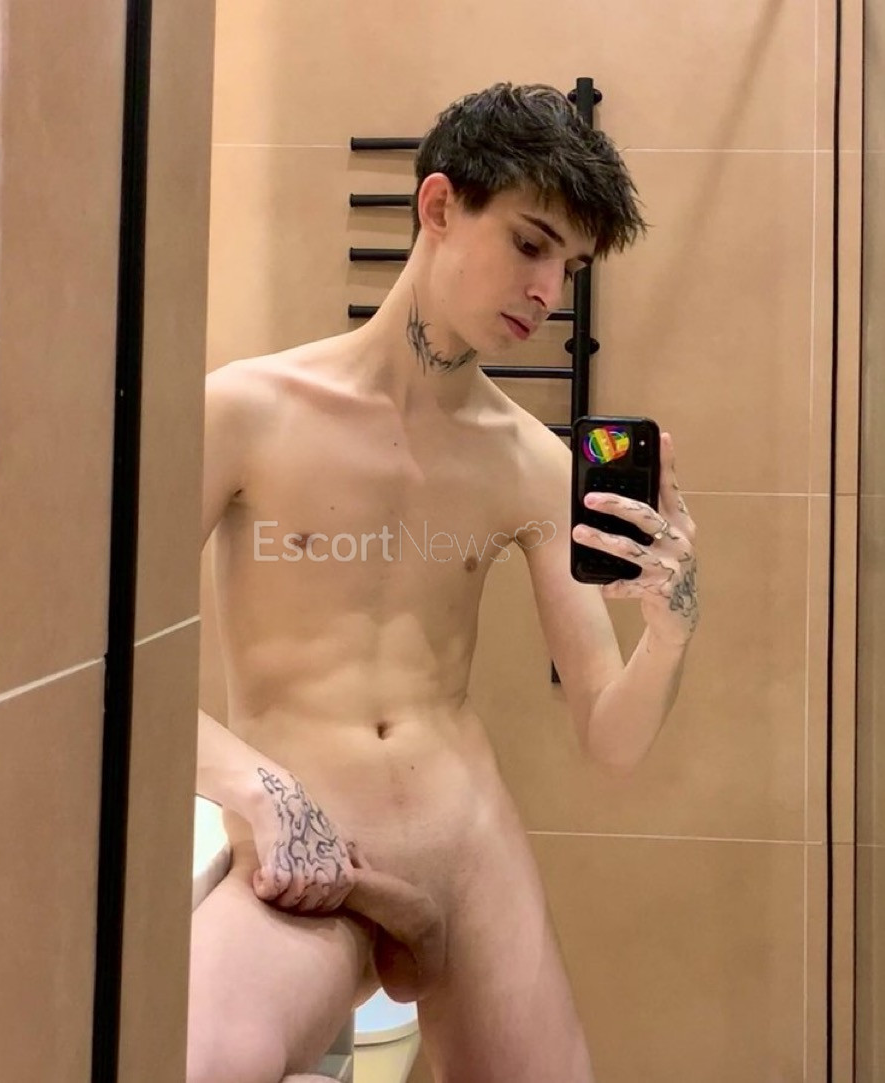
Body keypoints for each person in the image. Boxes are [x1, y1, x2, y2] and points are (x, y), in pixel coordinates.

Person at [187, 82, 699, 1083]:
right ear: (436, 207)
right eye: (528, 243)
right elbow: (110, 660)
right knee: (200, 1061)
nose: (547, 290)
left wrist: (670, 627)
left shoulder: (529, 461)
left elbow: (609, 735)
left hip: (468, 846)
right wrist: (257, 787)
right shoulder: (246, 411)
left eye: (567, 266)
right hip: (313, 839)